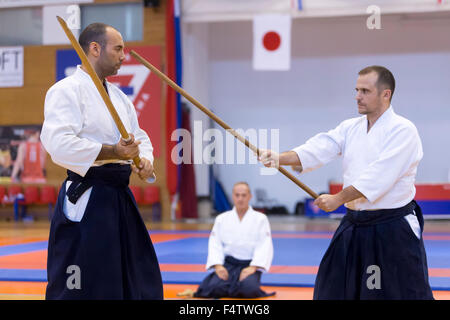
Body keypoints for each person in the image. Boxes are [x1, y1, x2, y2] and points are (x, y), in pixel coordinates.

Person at [259, 66, 433, 300]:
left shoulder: (403, 130)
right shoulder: (351, 127)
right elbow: (319, 148)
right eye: (356, 89)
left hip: (391, 229)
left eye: (365, 91)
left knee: (396, 293)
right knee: (333, 288)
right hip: (354, 224)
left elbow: (378, 177)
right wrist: (279, 157)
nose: (357, 96)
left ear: (385, 94)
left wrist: (338, 199)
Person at [40, 23, 163, 299]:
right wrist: (113, 152)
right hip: (88, 197)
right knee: (86, 281)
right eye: (118, 48)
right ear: (95, 49)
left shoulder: (120, 98)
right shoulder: (66, 91)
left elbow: (138, 136)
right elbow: (58, 145)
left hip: (119, 197)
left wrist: (144, 160)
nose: (123, 56)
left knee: (137, 276)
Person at [193, 182, 275, 299]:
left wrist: (253, 267)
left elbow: (264, 245)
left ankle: (237, 284)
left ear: (250, 196)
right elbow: (215, 243)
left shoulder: (260, 219)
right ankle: (232, 285)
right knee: (214, 288)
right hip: (228, 264)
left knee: (249, 290)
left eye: (243, 195)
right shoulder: (222, 218)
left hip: (249, 264)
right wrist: (218, 266)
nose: (240, 199)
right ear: (232, 196)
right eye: (237, 195)